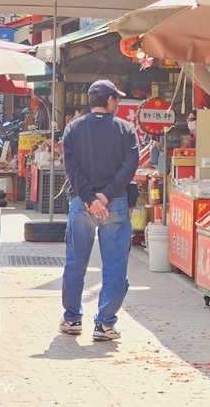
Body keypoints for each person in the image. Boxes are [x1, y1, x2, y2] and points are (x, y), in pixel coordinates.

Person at [59, 80, 139, 342]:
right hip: (114, 203)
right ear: (111, 100)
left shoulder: (73, 128)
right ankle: (104, 323)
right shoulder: (125, 129)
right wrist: (106, 195)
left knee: (75, 262)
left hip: (80, 203)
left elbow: (70, 168)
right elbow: (130, 166)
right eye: (117, 99)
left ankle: (72, 318)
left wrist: (90, 197)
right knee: (114, 266)